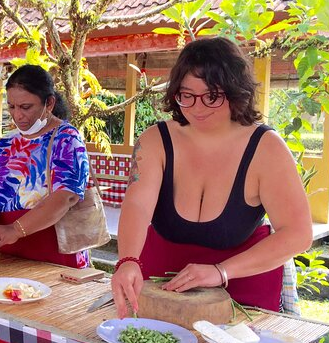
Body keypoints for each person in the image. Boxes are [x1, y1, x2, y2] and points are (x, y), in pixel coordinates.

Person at [111, 37, 313, 318]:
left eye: (212, 96)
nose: (197, 107)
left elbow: (298, 233)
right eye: (186, 95)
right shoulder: (155, 140)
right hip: (163, 284)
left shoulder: (266, 148)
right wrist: (128, 259)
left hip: (242, 285)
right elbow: (137, 205)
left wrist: (221, 272)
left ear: (235, 92)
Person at [0, 65, 91, 268]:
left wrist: (15, 229)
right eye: (12, 107)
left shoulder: (66, 138)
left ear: (49, 103)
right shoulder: (7, 142)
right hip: (7, 245)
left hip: (51, 247)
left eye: (26, 107)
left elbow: (66, 197)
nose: (17, 115)